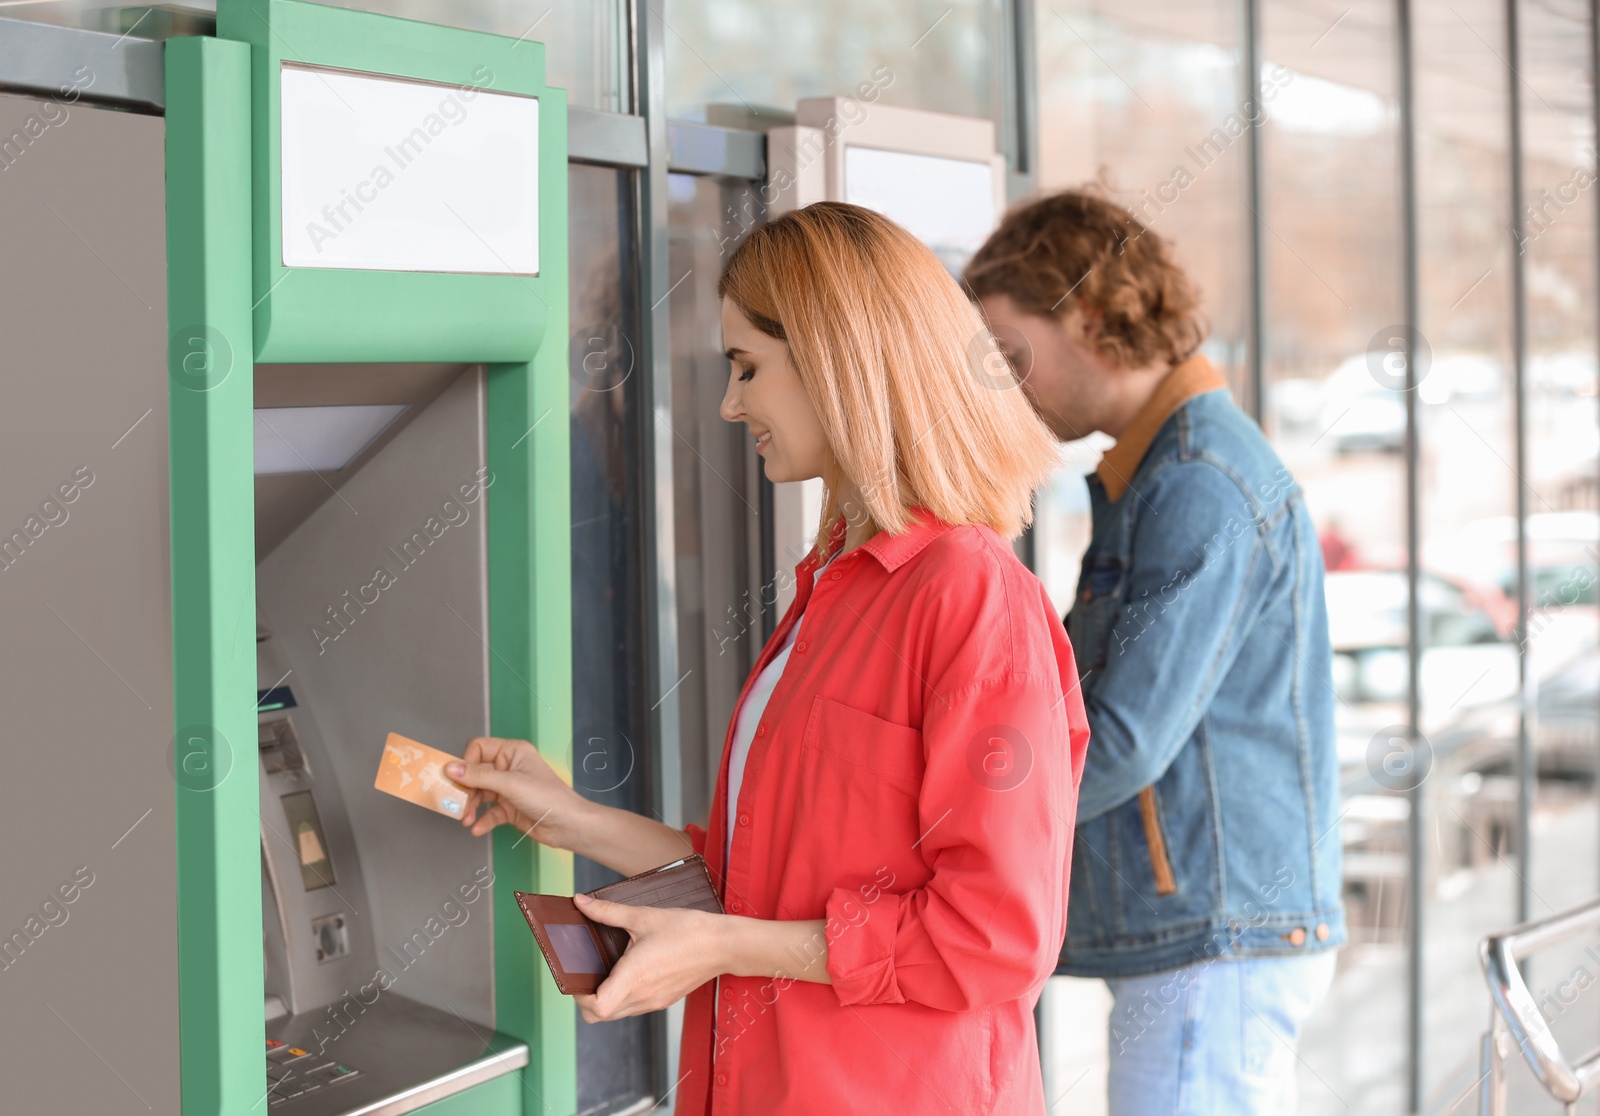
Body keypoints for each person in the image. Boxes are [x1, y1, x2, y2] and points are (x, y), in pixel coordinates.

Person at [447, 201, 1091, 1115]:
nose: (729, 403)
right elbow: (763, 876)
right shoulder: (833, 583)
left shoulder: (969, 597)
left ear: (840, 362)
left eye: (748, 368)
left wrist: (724, 947)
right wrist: (572, 817)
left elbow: (994, 934)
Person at [966, 190, 1345, 1115]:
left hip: (1215, 942)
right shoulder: (1162, 472)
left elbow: (1121, 733)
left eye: (1012, 355)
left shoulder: (1196, 484)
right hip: (1212, 935)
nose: (1004, 385)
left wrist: (960, 823)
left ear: (1089, 317)